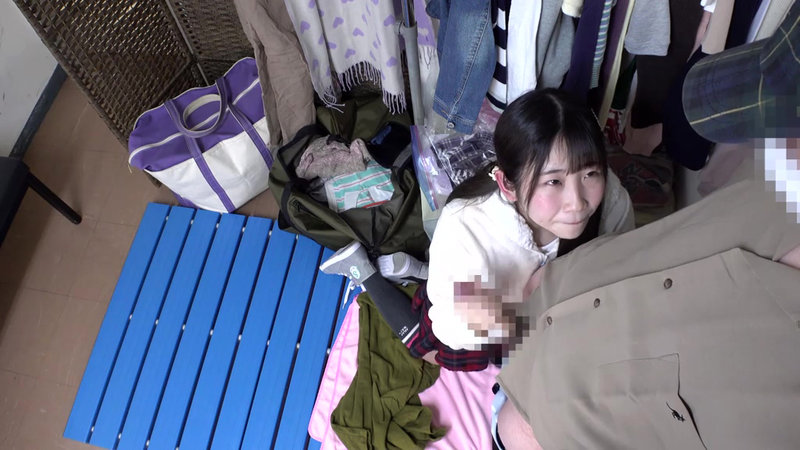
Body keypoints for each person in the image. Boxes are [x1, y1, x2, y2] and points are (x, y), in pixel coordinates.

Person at [320, 88, 635, 372]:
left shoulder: (611, 199)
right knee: (424, 350)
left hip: (538, 323)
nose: (577, 202)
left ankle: (419, 270)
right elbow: (448, 327)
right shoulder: (464, 227)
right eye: (553, 181)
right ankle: (366, 272)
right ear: (507, 185)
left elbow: (623, 264)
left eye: (590, 173)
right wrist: (502, 316)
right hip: (481, 314)